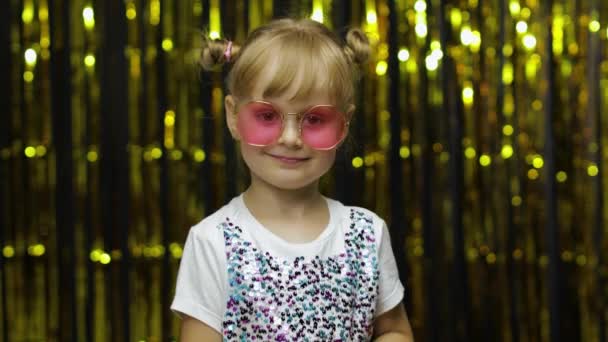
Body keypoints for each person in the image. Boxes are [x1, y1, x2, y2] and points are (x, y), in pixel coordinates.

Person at [171, 18, 414, 341]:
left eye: (314, 119)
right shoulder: (212, 241)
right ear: (233, 116)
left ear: (344, 125)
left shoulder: (366, 233)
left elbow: (395, 330)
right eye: (267, 116)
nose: (290, 138)